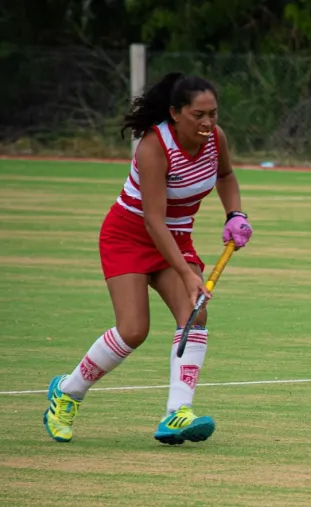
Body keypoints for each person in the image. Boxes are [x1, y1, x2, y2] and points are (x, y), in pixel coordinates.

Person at [42, 72, 254, 445]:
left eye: (213, 114)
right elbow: (154, 221)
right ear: (175, 113)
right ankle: (68, 392)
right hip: (130, 235)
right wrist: (189, 276)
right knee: (133, 330)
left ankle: (176, 414)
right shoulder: (154, 147)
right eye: (198, 115)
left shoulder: (215, 140)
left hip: (176, 236)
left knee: (195, 313)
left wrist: (235, 214)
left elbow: (227, 175)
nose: (208, 123)